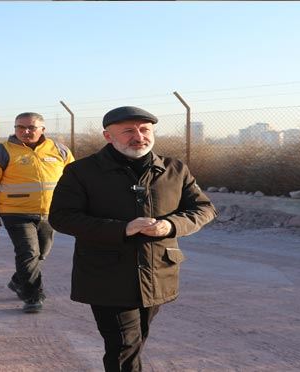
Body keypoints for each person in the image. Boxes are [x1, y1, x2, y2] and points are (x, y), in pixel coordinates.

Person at [49, 106, 217, 371]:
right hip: (106, 274)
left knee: (136, 339)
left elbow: (204, 209)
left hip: (157, 271)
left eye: (144, 129)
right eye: (128, 131)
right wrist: (122, 229)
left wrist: (170, 225)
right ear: (108, 136)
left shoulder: (174, 169)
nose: (138, 136)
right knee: (123, 344)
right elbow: (61, 217)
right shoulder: (81, 172)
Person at [0, 112, 73, 313]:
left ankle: (18, 280)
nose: (25, 131)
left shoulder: (60, 150)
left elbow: (72, 181)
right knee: (28, 252)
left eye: (31, 127)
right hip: (15, 213)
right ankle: (32, 295)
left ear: (42, 129)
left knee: (41, 253)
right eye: (19, 127)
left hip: (51, 213)